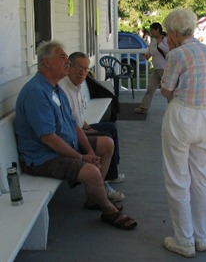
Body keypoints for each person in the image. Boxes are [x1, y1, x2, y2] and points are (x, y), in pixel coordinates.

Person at [15, 41, 137, 230]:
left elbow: (74, 125)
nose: (67, 61)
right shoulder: (36, 92)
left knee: (106, 144)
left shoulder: (55, 88)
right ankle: (108, 210)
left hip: (63, 146)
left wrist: (90, 152)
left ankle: (93, 198)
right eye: (62, 57)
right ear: (47, 62)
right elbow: (48, 138)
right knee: (90, 170)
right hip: (42, 157)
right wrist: (81, 157)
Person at [160, 8, 206, 258]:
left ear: (176, 33)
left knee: (178, 179)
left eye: (168, 33)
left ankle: (184, 240)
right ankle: (201, 237)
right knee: (201, 177)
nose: (167, 37)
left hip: (182, 116)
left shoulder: (177, 55)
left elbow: (166, 89)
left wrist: (176, 89)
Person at [59, 52, 125, 188]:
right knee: (106, 138)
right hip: (73, 135)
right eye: (79, 68)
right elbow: (70, 124)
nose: (82, 72)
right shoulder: (63, 89)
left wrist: (88, 126)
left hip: (81, 127)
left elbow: (79, 116)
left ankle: (110, 175)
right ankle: (101, 186)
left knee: (110, 127)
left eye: (85, 69)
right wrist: (85, 129)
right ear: (69, 67)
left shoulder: (77, 86)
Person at [134, 22, 170, 114]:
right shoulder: (153, 40)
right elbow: (150, 53)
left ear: (157, 30)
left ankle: (172, 108)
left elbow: (169, 51)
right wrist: (146, 56)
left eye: (152, 31)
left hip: (164, 69)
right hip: (156, 68)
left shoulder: (165, 39)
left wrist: (160, 44)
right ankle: (144, 108)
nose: (151, 33)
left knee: (167, 90)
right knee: (150, 88)